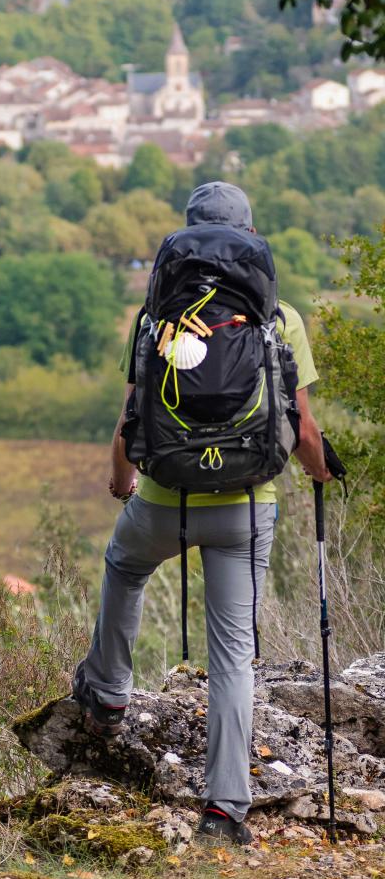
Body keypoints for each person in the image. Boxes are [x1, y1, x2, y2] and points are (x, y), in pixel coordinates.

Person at [73, 181, 333, 845]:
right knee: (233, 657)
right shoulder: (280, 317)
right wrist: (322, 471)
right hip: (247, 508)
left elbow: (131, 421)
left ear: (186, 235)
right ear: (248, 235)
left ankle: (106, 692)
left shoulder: (157, 317)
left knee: (125, 565)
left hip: (165, 501)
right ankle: (224, 812)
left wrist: (121, 482)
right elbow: (301, 429)